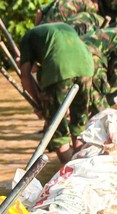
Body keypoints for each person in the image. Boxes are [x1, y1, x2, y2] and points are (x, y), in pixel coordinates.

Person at [17, 22, 108, 163]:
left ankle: (69, 170)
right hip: (86, 65)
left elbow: (25, 76)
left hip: (60, 67)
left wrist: (41, 104)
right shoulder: (59, 30)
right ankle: (82, 164)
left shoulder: (26, 39)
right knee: (79, 125)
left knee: (57, 132)